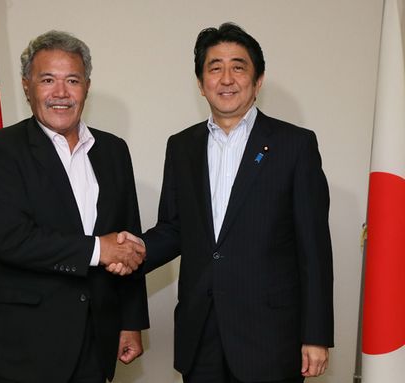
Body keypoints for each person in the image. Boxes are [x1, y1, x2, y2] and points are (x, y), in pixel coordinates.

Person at [114, 23, 333, 382]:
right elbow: (175, 228)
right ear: (201, 84)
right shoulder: (182, 146)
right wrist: (133, 249)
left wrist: (316, 335)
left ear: (258, 80)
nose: (226, 78)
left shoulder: (295, 145)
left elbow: (314, 247)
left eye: (238, 66)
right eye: (215, 68)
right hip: (201, 335)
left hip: (271, 338)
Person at [0, 30, 149, 383]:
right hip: (20, 351)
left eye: (72, 80)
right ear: (26, 85)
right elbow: (12, 239)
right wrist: (100, 249)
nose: (61, 93)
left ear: (87, 87)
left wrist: (130, 322)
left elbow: (128, 238)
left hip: (95, 343)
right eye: (47, 80)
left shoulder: (113, 151)